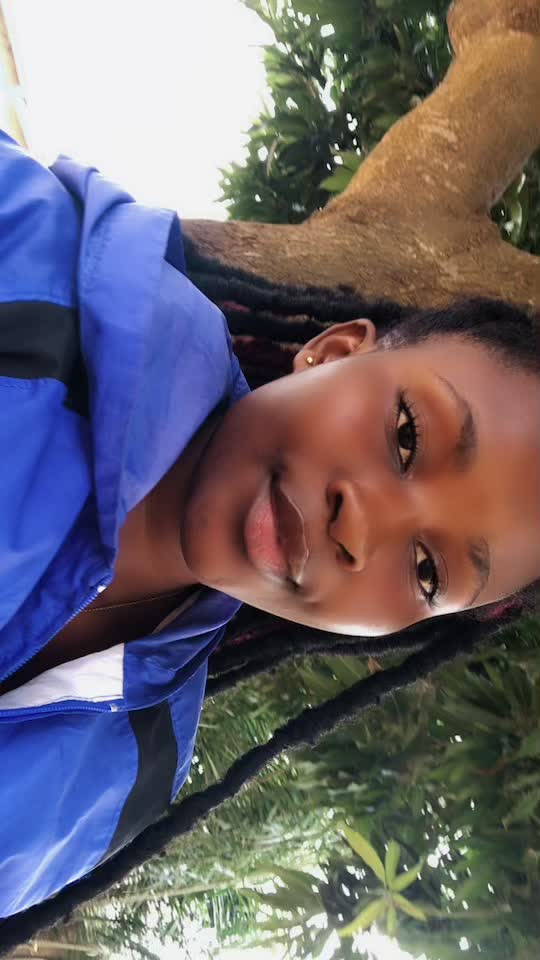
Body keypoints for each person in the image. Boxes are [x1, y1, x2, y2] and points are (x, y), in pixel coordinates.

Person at [0, 127, 539, 944]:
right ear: (332, 351)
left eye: (429, 571)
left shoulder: (125, 776)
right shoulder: (24, 254)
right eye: (406, 435)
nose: (365, 525)